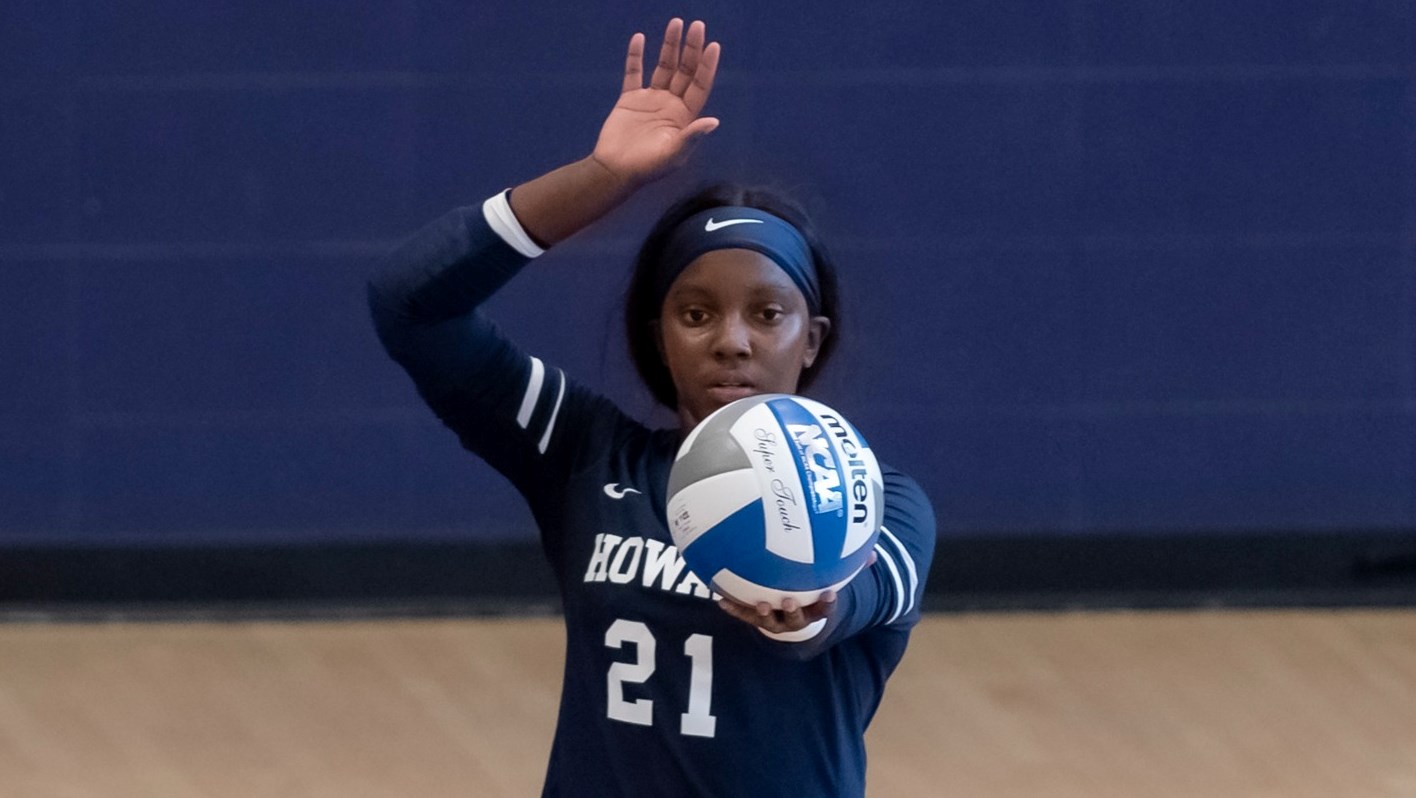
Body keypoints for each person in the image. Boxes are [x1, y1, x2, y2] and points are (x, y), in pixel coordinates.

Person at [369, 18, 935, 797]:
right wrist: (602, 177)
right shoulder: (585, 454)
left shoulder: (879, 504)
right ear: (657, 335)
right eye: (696, 314)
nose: (731, 341)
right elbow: (409, 305)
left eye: (768, 314)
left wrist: (807, 611)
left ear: (811, 338)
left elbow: (845, 604)